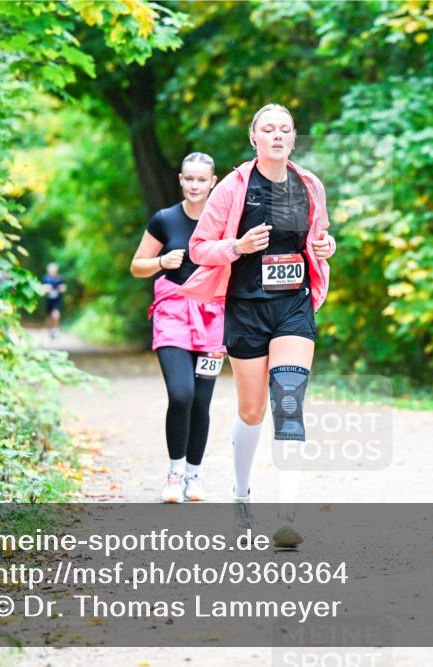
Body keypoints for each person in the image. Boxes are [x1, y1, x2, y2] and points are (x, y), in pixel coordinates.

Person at [178, 104, 337, 546]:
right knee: (252, 411)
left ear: (293, 137)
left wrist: (326, 247)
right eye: (268, 129)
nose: (278, 135)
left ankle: (286, 516)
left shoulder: (309, 185)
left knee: (288, 403)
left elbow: (320, 237)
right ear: (254, 138)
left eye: (285, 129)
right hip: (246, 307)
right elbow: (199, 250)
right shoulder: (233, 187)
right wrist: (238, 245)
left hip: (293, 307)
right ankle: (241, 496)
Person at [131, 152, 224, 504]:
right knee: (181, 394)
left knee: (202, 403)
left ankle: (194, 477)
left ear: (213, 181)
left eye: (202, 179)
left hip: (214, 317)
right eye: (189, 179)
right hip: (172, 314)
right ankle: (174, 474)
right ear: (180, 180)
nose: (195, 185)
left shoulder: (225, 221)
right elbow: (137, 266)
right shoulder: (165, 220)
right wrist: (161, 261)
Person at [41, 263, 67, 339]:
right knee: (49, 316)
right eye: (51, 270)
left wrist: (61, 288)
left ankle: (56, 330)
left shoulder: (60, 279)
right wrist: (45, 288)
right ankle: (49, 331)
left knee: (56, 315)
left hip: (57, 300)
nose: (52, 272)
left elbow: (64, 288)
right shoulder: (45, 278)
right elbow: (40, 288)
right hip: (48, 300)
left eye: (54, 270)